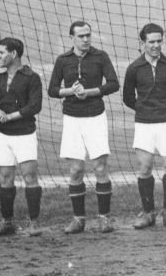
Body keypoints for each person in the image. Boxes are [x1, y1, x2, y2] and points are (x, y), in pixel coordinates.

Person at [48, 20, 120, 234]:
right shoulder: (63, 60)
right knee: (76, 169)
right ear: (72, 38)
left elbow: (114, 83)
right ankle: (79, 219)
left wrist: (89, 92)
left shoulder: (101, 56)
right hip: (72, 118)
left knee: (100, 167)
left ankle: (104, 218)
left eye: (88, 35)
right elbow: (52, 90)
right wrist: (70, 91)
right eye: (81, 36)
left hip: (95, 116)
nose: (86, 39)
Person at [123, 23, 166, 229]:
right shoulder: (134, 68)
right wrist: (145, 109)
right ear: (142, 42)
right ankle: (148, 213)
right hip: (144, 123)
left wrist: (165, 107)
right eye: (151, 41)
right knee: (145, 167)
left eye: (159, 41)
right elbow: (127, 98)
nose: (156, 45)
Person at [0, 37, 44, 236]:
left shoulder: (31, 77)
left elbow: (34, 106)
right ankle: (7, 222)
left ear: (14, 54)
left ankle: (34, 222)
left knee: (29, 176)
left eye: (2, 52)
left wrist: (9, 116)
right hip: (3, 135)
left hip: (24, 134)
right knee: (5, 178)